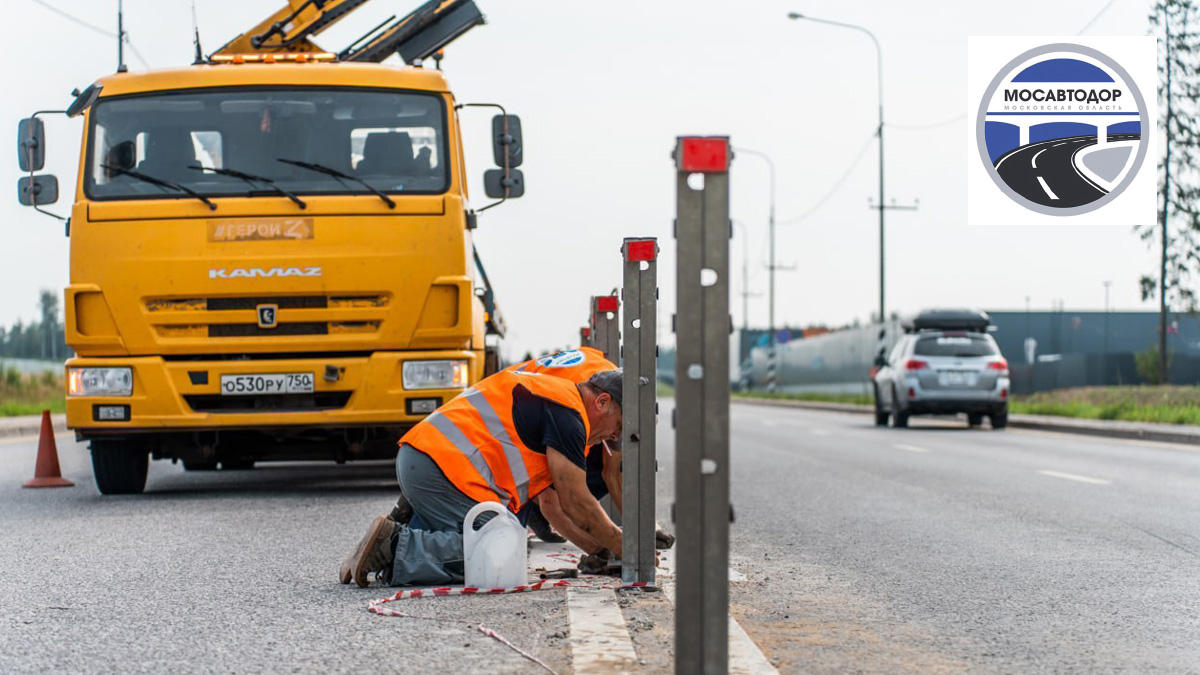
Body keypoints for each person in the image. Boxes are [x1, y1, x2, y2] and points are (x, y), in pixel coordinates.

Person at [341, 368, 624, 587]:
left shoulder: (557, 396)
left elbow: (556, 506)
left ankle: (411, 527)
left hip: (426, 460)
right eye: (619, 426)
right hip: (443, 470)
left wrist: (600, 550)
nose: (614, 437)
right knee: (499, 556)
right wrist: (626, 548)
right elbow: (576, 501)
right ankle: (394, 547)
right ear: (602, 401)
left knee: (505, 534)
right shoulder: (569, 414)